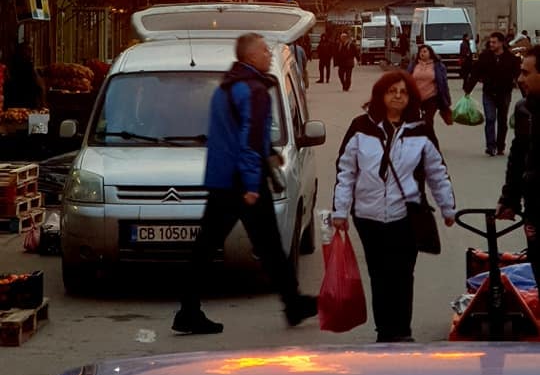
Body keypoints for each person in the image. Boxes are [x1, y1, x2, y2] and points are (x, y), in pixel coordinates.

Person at [171, 32, 318, 334]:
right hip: (242, 181)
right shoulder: (254, 90)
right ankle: (292, 303)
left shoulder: (227, 86)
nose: (269, 55)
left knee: (211, 245)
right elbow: (249, 138)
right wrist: (252, 184)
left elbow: (235, 132)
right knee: (267, 245)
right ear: (250, 56)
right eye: (264, 51)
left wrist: (269, 153)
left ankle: (291, 303)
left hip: (224, 177)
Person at [332, 70, 455, 343]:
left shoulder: (420, 131)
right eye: (392, 91)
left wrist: (448, 208)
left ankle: (402, 331)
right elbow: (345, 171)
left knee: (402, 274)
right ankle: (384, 332)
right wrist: (340, 211)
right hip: (368, 216)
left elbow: (436, 172)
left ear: (410, 97)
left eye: (403, 92)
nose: (398, 96)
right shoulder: (361, 127)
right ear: (381, 95)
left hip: (405, 216)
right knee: (379, 275)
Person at [495, 45, 540, 291]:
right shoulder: (524, 109)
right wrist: (509, 198)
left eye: (526, 73)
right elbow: (518, 155)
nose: (520, 78)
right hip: (534, 207)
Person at [464, 31, 520, 156]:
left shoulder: (511, 58)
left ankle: (500, 146)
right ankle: (490, 146)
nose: (491, 44)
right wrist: (468, 89)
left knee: (502, 120)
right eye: (490, 42)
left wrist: (525, 93)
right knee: (490, 118)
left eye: (494, 42)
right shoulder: (485, 56)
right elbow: (475, 73)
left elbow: (518, 76)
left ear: (501, 43)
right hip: (489, 92)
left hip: (504, 93)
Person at [407, 44, 453, 137]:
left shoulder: (438, 66)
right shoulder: (414, 65)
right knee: (415, 121)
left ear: (430, 53)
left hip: (432, 98)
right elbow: (407, 78)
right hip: (416, 98)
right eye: (420, 52)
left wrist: (447, 100)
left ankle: (432, 143)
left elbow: (443, 83)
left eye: (425, 51)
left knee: (428, 121)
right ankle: (419, 141)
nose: (422, 53)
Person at [4, 43, 45, 110]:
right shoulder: (28, 67)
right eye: (29, 51)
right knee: (47, 118)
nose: (31, 55)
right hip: (28, 112)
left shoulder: (11, 67)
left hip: (12, 110)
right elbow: (38, 89)